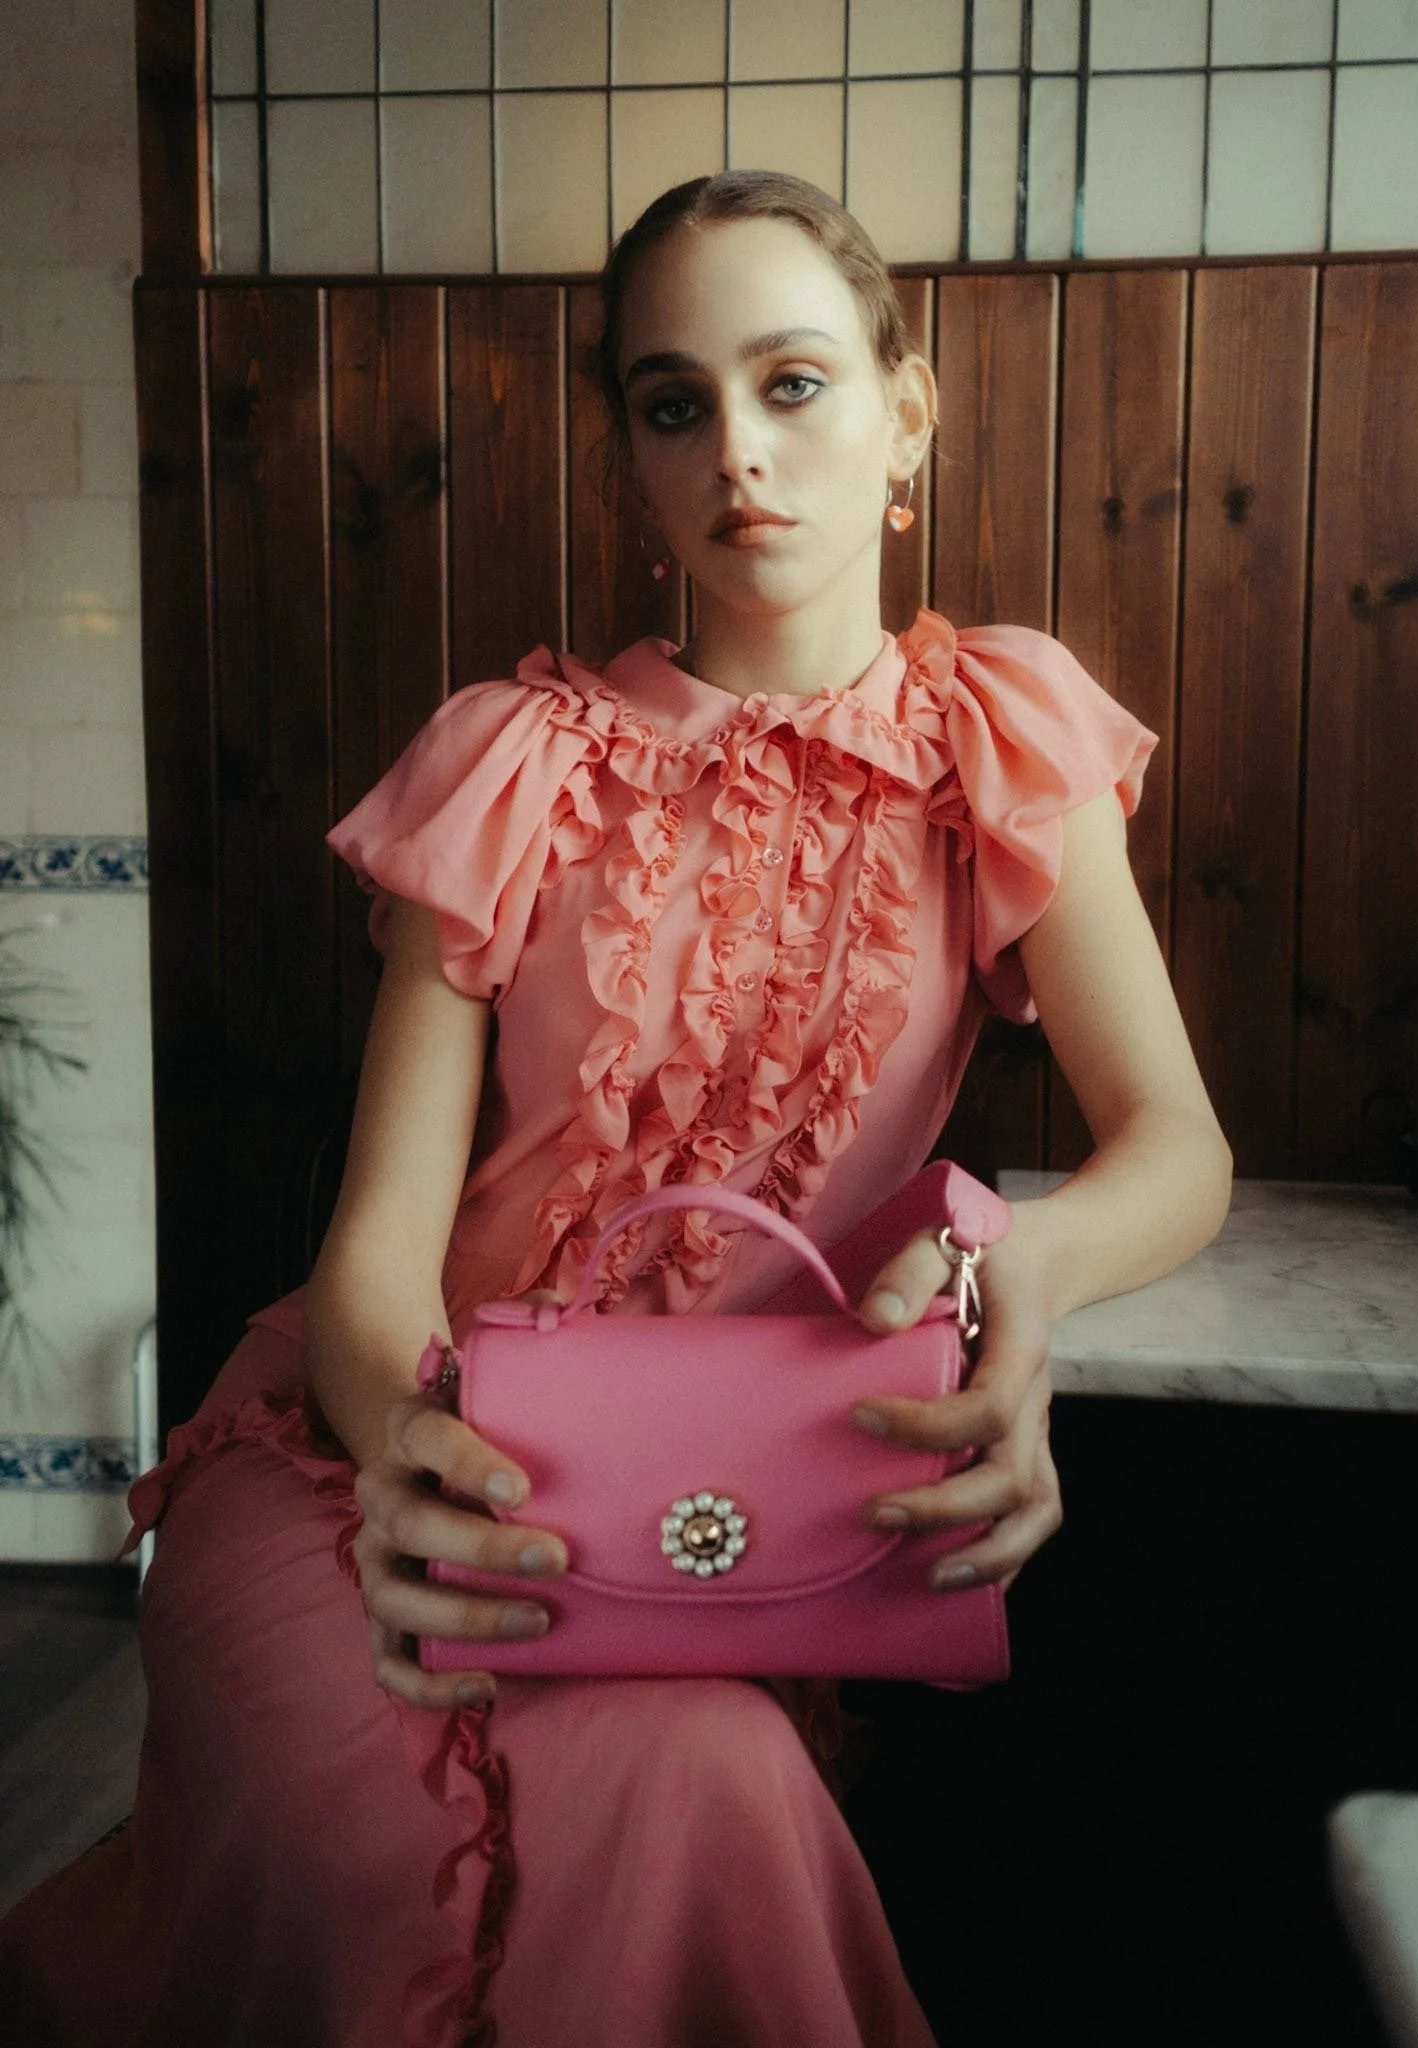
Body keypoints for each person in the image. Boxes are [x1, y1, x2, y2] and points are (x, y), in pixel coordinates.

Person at [0, 172, 1231, 2047]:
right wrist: (412, 1454)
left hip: (726, 1507)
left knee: (702, 1785)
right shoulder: (511, 759)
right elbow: (374, 1258)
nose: (738, 449)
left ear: (908, 410)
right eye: (675, 404)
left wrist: (1019, 1273)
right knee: (372, 1822)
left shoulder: (1002, 738)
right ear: (628, 462)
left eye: (794, 383)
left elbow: (1178, 1150)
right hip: (368, 1458)